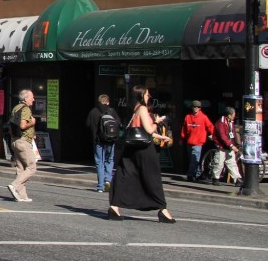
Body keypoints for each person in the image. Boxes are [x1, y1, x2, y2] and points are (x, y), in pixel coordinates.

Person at [108, 86, 175, 223]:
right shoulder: (143, 109)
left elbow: (142, 131)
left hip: (132, 147)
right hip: (145, 149)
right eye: (147, 94)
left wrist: (162, 138)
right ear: (141, 95)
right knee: (152, 177)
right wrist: (156, 121)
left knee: (126, 174)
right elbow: (149, 130)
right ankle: (163, 209)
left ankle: (114, 207)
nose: (149, 96)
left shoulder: (135, 108)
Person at [7, 89, 37, 202]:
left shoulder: (16, 108)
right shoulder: (26, 109)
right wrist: (33, 123)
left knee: (21, 168)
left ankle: (21, 195)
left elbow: (10, 125)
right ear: (25, 99)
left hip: (15, 140)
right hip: (23, 141)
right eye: (31, 97)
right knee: (31, 167)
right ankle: (15, 185)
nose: (33, 99)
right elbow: (23, 125)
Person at [86, 94, 120, 192]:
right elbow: (119, 123)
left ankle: (100, 186)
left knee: (99, 162)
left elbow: (87, 124)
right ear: (108, 101)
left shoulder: (93, 112)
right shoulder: (112, 111)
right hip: (110, 140)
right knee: (109, 159)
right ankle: (108, 180)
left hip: (98, 141)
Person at [180, 100, 214, 182]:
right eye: (194, 107)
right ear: (192, 107)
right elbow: (184, 129)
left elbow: (211, 126)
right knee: (194, 160)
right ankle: (198, 174)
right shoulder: (187, 117)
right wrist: (181, 139)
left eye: (198, 107)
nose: (196, 108)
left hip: (198, 143)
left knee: (194, 160)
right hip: (189, 142)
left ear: (200, 108)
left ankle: (190, 175)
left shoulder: (204, 117)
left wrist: (212, 135)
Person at [208, 107, 241, 185]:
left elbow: (232, 134)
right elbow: (222, 136)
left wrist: (234, 144)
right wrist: (231, 145)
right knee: (219, 162)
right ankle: (215, 178)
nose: (234, 116)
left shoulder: (230, 122)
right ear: (229, 115)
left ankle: (237, 179)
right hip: (221, 146)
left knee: (232, 162)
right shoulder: (220, 123)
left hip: (229, 146)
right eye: (233, 115)